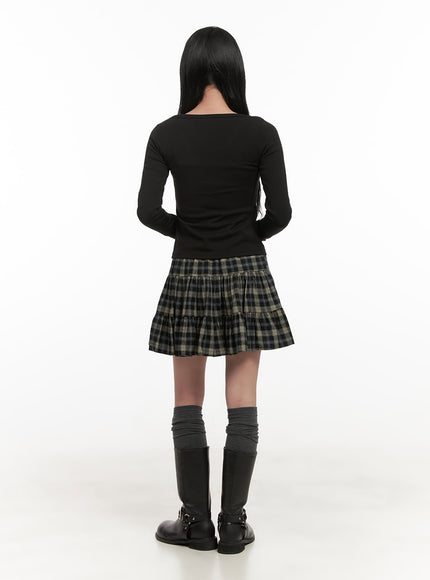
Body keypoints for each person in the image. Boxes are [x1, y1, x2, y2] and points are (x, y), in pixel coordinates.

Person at [136, 26, 295, 554]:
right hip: (247, 271)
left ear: (188, 72)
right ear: (234, 71)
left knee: (188, 399)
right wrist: (246, 234)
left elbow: (147, 211)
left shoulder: (166, 134)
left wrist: (187, 230)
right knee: (242, 400)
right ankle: (232, 524)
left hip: (190, 271)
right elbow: (281, 213)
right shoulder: (261, 133)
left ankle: (195, 523)